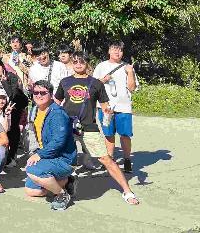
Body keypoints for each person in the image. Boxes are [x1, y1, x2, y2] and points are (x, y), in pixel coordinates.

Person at [55, 54, 139, 205]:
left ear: (87, 64)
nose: (78, 64)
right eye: (75, 62)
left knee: (105, 159)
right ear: (71, 64)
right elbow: (56, 103)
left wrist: (108, 112)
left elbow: (105, 105)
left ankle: (127, 191)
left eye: (82, 62)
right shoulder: (65, 81)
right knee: (63, 158)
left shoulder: (96, 83)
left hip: (89, 127)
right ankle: (64, 186)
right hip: (67, 126)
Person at [25, 80, 77, 211]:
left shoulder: (57, 114)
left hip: (64, 159)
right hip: (49, 157)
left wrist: (39, 154)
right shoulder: (35, 110)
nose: (39, 95)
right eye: (36, 92)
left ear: (51, 94)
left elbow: (59, 141)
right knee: (31, 190)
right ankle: (67, 181)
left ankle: (62, 195)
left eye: (43, 93)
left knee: (32, 170)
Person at [92, 40, 139, 173]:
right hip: (105, 106)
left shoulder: (128, 67)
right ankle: (110, 159)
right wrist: (104, 80)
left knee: (125, 135)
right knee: (108, 134)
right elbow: (93, 85)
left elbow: (132, 88)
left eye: (120, 50)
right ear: (109, 51)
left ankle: (127, 160)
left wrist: (130, 72)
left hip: (124, 107)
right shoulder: (101, 66)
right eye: (114, 49)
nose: (117, 52)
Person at [0, 59, 27, 166]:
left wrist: (4, 81)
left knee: (13, 131)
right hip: (3, 108)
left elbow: (12, 95)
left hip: (15, 107)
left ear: (2, 67)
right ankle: (3, 156)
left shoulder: (11, 76)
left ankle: (12, 157)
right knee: (3, 131)